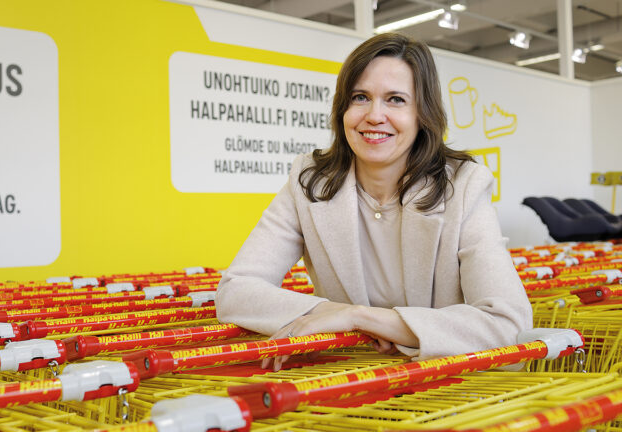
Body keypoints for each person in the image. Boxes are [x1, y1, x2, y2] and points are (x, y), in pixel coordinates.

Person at [215, 33, 533, 371]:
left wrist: (361, 318)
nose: (374, 115)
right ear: (343, 108)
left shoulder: (463, 184)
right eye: (360, 97)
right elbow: (236, 290)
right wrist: (329, 313)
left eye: (395, 99)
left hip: (442, 387)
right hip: (342, 383)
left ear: (422, 113)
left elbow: (510, 324)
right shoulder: (309, 180)